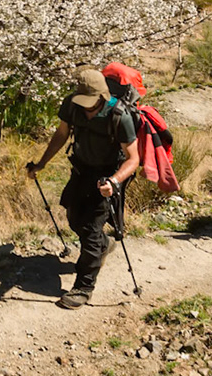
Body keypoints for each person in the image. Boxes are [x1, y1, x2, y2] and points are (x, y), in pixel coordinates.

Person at [25, 68, 142, 308]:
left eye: (91, 103)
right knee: (74, 217)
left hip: (108, 176)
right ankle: (102, 245)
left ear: (102, 96)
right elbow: (61, 134)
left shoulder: (120, 115)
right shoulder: (72, 105)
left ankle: (84, 287)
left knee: (90, 228)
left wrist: (114, 181)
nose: (87, 107)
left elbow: (133, 159)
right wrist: (42, 163)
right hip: (81, 169)